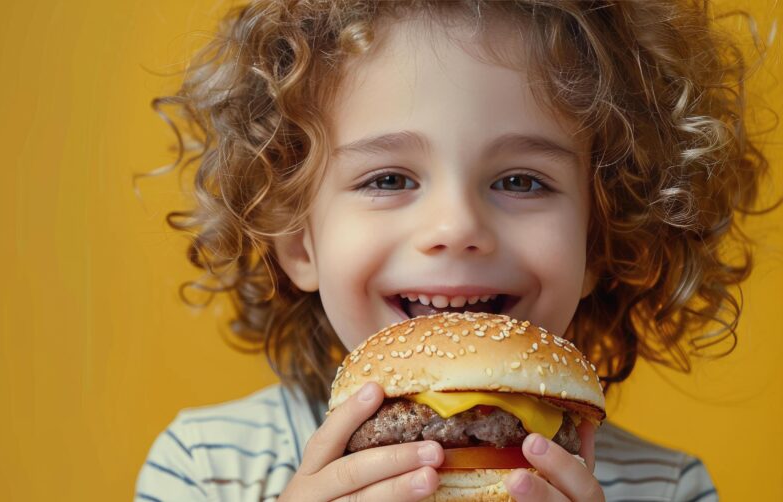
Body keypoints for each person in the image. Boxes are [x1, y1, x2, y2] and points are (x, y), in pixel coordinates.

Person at [135, 1, 773, 500]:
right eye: (389, 179)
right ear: (299, 240)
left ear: (600, 241)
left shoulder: (670, 489)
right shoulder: (205, 467)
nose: (457, 225)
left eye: (521, 180)